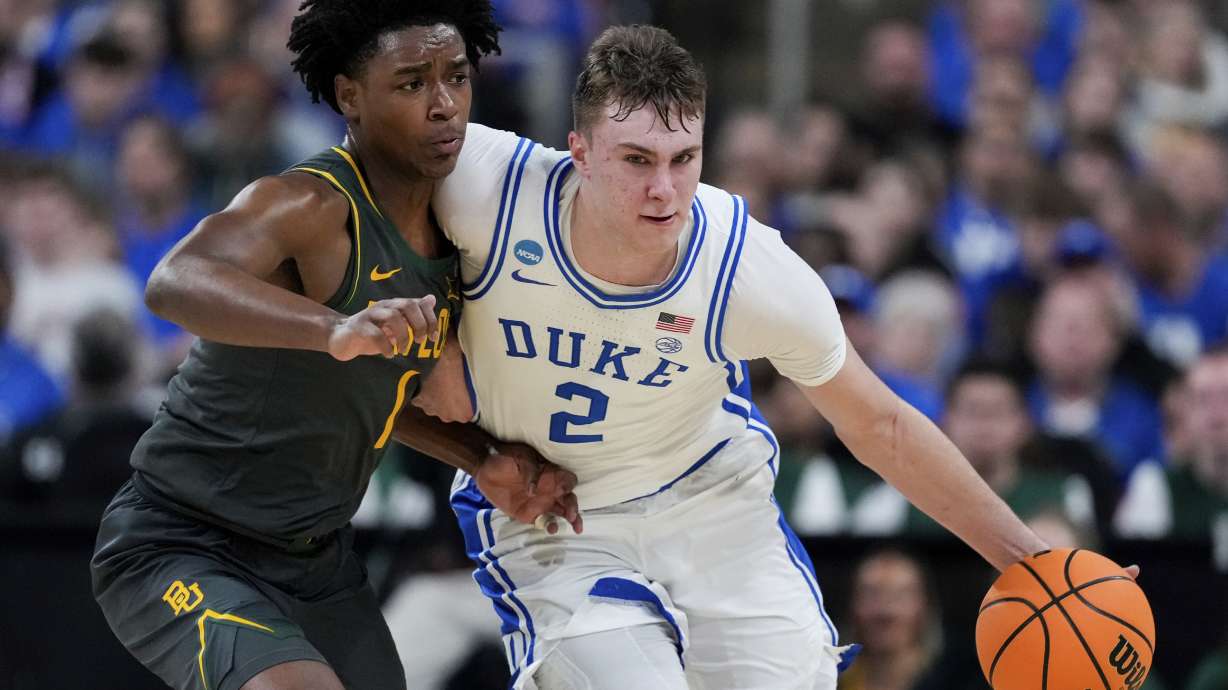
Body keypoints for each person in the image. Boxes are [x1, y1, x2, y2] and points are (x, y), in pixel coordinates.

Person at [415, 24, 1077, 690]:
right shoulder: (485, 186)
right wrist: (437, 347)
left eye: (683, 158)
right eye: (637, 160)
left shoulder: (748, 269)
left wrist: (1032, 561)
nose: (664, 189)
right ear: (580, 152)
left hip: (713, 508)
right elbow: (351, 203)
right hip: (555, 520)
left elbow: (882, 425)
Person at [89, 3, 578, 690]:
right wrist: (332, 329)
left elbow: (372, 392)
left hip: (317, 561)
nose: (444, 104)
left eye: (457, 77)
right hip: (182, 539)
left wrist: (480, 459)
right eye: (412, 82)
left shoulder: (463, 233)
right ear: (350, 96)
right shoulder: (309, 204)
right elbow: (175, 281)